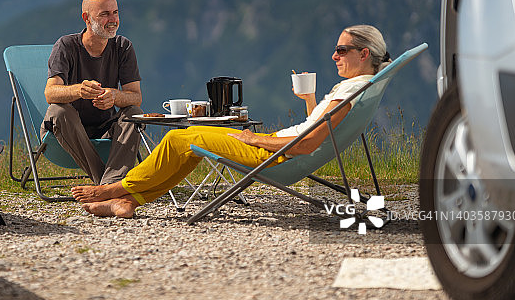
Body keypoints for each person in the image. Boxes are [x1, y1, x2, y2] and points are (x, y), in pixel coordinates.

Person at [71, 24, 391, 217]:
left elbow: (310, 142)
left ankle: (111, 190)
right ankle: (128, 201)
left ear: (363, 54)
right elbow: (316, 132)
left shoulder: (350, 89)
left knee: (179, 138)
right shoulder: (361, 87)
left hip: (274, 152)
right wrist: (309, 101)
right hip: (283, 147)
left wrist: (256, 139)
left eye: (341, 49)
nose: (334, 56)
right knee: (187, 143)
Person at [42, 0, 143, 185]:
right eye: (104, 14)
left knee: (134, 112)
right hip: (67, 131)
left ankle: (108, 185)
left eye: (115, 12)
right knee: (58, 110)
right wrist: (79, 90)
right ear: (86, 18)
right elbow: (50, 93)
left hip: (105, 128)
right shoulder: (66, 46)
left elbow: (135, 97)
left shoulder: (123, 47)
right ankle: (110, 185)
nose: (112, 19)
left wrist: (114, 96)